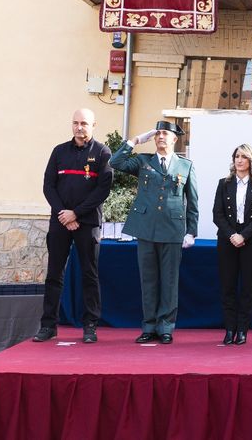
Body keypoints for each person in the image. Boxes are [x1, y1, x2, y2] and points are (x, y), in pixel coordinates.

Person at [111, 120, 199, 345]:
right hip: (146, 228)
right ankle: (149, 326)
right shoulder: (143, 161)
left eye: (164, 133)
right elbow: (116, 161)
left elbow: (193, 201)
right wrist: (136, 140)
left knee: (169, 281)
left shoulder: (185, 165)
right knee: (148, 280)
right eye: (158, 133)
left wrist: (191, 232)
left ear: (174, 139)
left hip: (172, 229)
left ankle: (166, 327)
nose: (160, 136)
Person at [34, 108, 113, 344]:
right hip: (60, 222)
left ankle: (90, 326)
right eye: (76, 123)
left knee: (89, 274)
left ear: (93, 125)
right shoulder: (59, 152)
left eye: (85, 123)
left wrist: (76, 213)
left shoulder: (102, 152)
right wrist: (64, 214)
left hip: (87, 223)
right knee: (54, 275)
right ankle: (48, 325)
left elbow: (103, 189)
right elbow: (49, 185)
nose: (80, 127)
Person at [212, 144, 252, 346]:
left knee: (248, 287)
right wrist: (232, 235)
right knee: (227, 286)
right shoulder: (224, 183)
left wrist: (243, 236)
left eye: (244, 156)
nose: (239, 160)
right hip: (227, 240)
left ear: (251, 161)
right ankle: (229, 329)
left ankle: (243, 330)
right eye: (237, 156)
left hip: (251, 241)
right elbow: (217, 214)